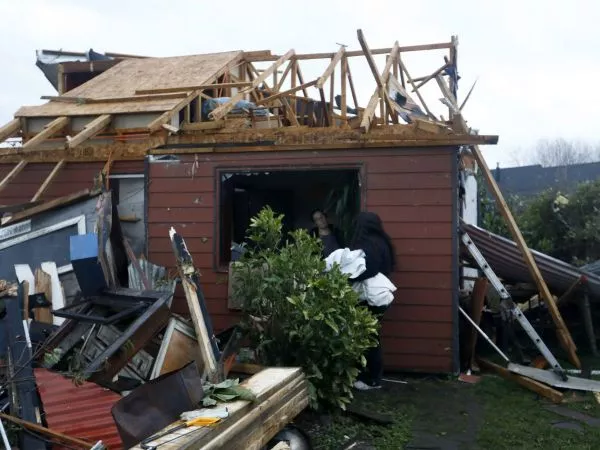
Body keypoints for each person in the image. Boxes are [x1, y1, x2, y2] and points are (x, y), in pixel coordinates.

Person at [348, 211, 396, 390]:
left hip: (369, 297)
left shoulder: (368, 243)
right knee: (371, 335)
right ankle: (372, 376)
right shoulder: (383, 242)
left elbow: (369, 269)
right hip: (380, 295)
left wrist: (347, 276)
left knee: (368, 337)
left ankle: (373, 378)